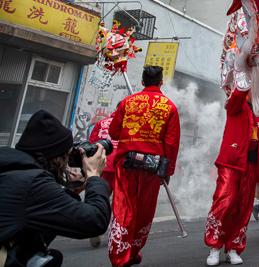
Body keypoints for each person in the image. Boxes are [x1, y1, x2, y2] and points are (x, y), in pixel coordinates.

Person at [0, 110, 110, 266]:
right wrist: (94, 176)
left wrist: (71, 193)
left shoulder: (12, 171)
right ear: (57, 158)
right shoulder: (32, 184)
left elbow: (46, 221)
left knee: (51, 256)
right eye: (67, 156)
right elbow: (95, 222)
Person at [108, 66, 181, 267]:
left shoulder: (127, 102)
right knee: (144, 210)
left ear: (142, 82)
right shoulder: (169, 107)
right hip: (151, 166)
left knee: (123, 208)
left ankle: (119, 256)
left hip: (126, 163)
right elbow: (171, 144)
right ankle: (132, 252)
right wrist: (167, 172)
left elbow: (114, 133)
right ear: (161, 82)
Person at [205, 86, 259, 265]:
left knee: (243, 208)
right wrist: (246, 73)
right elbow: (238, 94)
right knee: (224, 202)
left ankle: (234, 248)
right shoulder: (236, 105)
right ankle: (214, 246)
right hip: (231, 163)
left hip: (251, 165)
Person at [87, 110, 120, 248]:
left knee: (100, 197)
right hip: (121, 166)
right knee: (120, 201)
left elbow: (91, 143)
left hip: (103, 165)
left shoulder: (101, 123)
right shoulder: (130, 125)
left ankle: (96, 228)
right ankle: (116, 233)